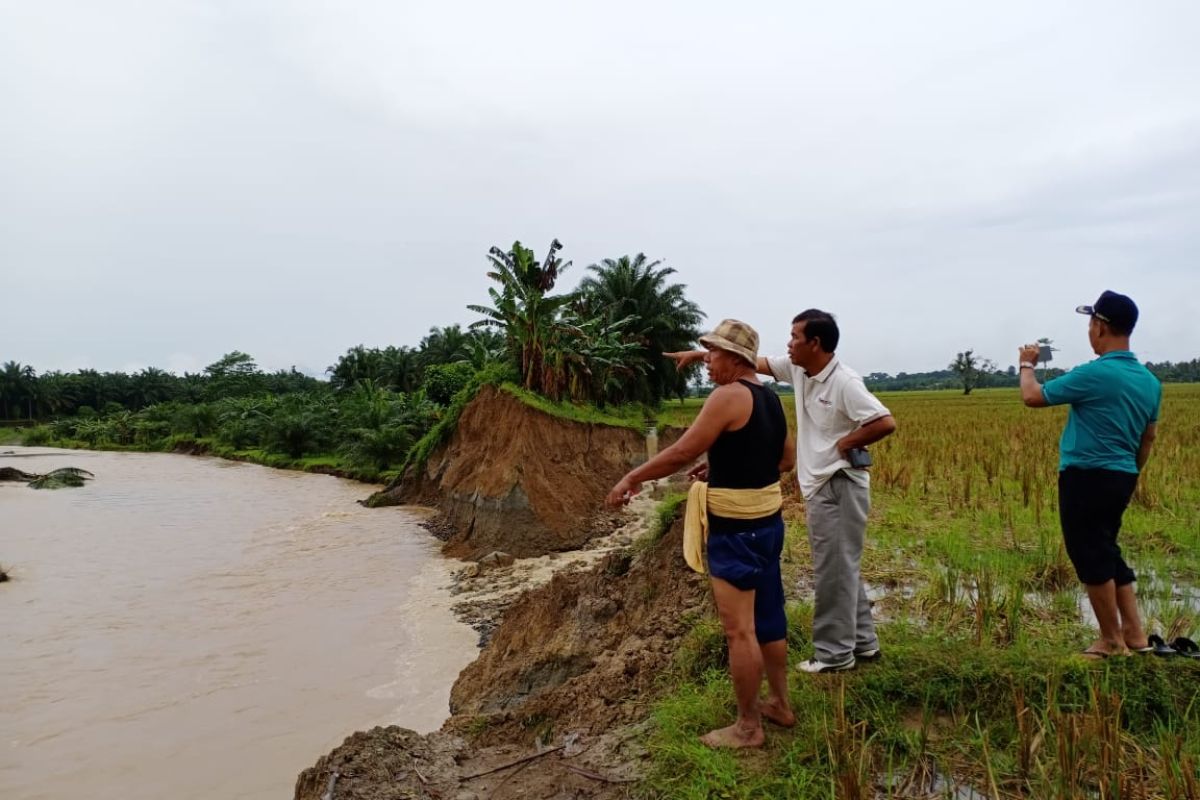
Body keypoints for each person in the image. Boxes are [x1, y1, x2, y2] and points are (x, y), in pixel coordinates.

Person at [669, 309, 897, 673]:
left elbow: (884, 421)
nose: (788, 344)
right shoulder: (800, 370)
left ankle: (834, 655)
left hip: (838, 485)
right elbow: (749, 361)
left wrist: (843, 444)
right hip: (821, 484)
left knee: (831, 571)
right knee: (842, 566)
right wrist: (701, 355)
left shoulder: (845, 382)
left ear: (815, 343)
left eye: (794, 338)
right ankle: (864, 644)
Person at [607, 319, 795, 749]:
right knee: (769, 619)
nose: (706, 360)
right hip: (767, 525)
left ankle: (748, 727)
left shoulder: (726, 396)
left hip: (736, 531)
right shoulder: (769, 398)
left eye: (712, 352)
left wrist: (630, 479)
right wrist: (724, 465)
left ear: (735, 358)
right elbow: (783, 460)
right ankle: (780, 705)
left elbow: (682, 451)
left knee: (739, 631)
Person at [1018, 290, 1161, 659]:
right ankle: (1135, 635)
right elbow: (1148, 438)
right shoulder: (1149, 381)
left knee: (1089, 554)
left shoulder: (1095, 374)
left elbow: (1033, 397)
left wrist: (1026, 364)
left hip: (1086, 475)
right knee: (1107, 550)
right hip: (1122, 476)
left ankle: (1111, 641)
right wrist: (1129, 473)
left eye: (1090, 323)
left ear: (1100, 327)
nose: (1089, 330)